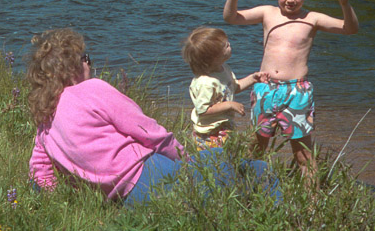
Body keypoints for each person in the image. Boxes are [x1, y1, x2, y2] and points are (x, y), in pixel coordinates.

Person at [27, 29, 279, 206]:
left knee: (218, 169)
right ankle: (283, 211)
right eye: (86, 59)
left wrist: (51, 199)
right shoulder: (92, 88)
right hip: (150, 173)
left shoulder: (45, 117)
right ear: (72, 68)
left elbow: (40, 169)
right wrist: (184, 157)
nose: (89, 64)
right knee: (243, 167)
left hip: (123, 198)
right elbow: (146, 130)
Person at [222, 0, 359, 188]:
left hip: (297, 91)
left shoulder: (312, 18)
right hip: (266, 88)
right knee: (257, 144)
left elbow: (350, 28)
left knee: (303, 152)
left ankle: (312, 202)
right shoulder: (267, 13)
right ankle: (245, 187)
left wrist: (345, 3)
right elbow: (230, 17)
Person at [182, 27, 265, 150]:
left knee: (227, 154)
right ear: (214, 57)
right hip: (209, 132)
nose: (229, 44)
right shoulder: (205, 82)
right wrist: (230, 105)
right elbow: (203, 110)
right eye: (226, 46)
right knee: (213, 159)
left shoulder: (223, 69)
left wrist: (252, 78)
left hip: (223, 124)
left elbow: (233, 88)